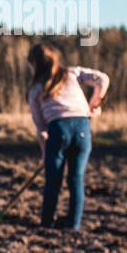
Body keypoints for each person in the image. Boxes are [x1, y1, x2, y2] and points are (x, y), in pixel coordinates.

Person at [26, 43, 110, 230]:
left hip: (58, 129)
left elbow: (42, 129)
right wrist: (94, 104)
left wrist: (44, 154)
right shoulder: (72, 74)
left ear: (35, 64)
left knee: (53, 181)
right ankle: (73, 226)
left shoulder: (35, 90)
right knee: (76, 179)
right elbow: (102, 79)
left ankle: (47, 224)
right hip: (82, 128)